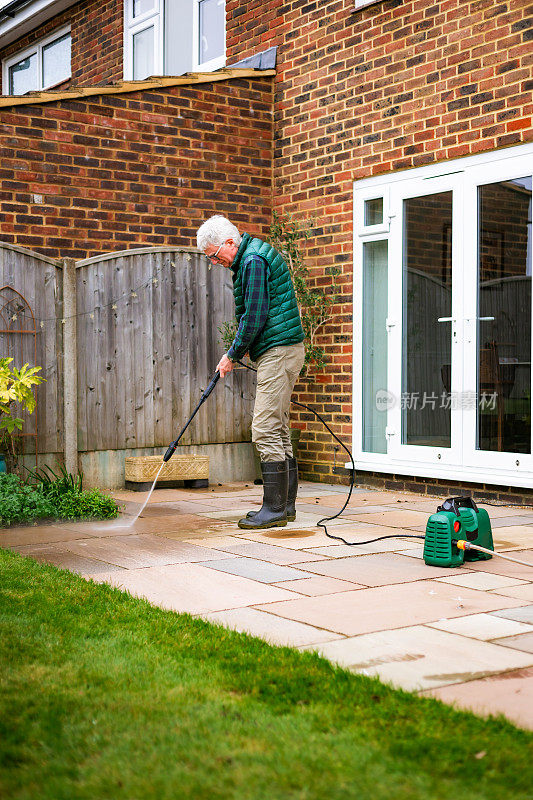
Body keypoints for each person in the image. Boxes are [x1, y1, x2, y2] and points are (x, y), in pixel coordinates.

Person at [196, 214, 305, 529]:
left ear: (230, 243)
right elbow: (251, 314)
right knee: (278, 427)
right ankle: (284, 508)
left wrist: (232, 354)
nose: (216, 262)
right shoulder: (249, 258)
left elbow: (255, 316)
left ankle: (274, 509)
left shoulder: (252, 261)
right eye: (212, 259)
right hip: (282, 349)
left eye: (216, 256)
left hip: (278, 350)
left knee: (264, 428)